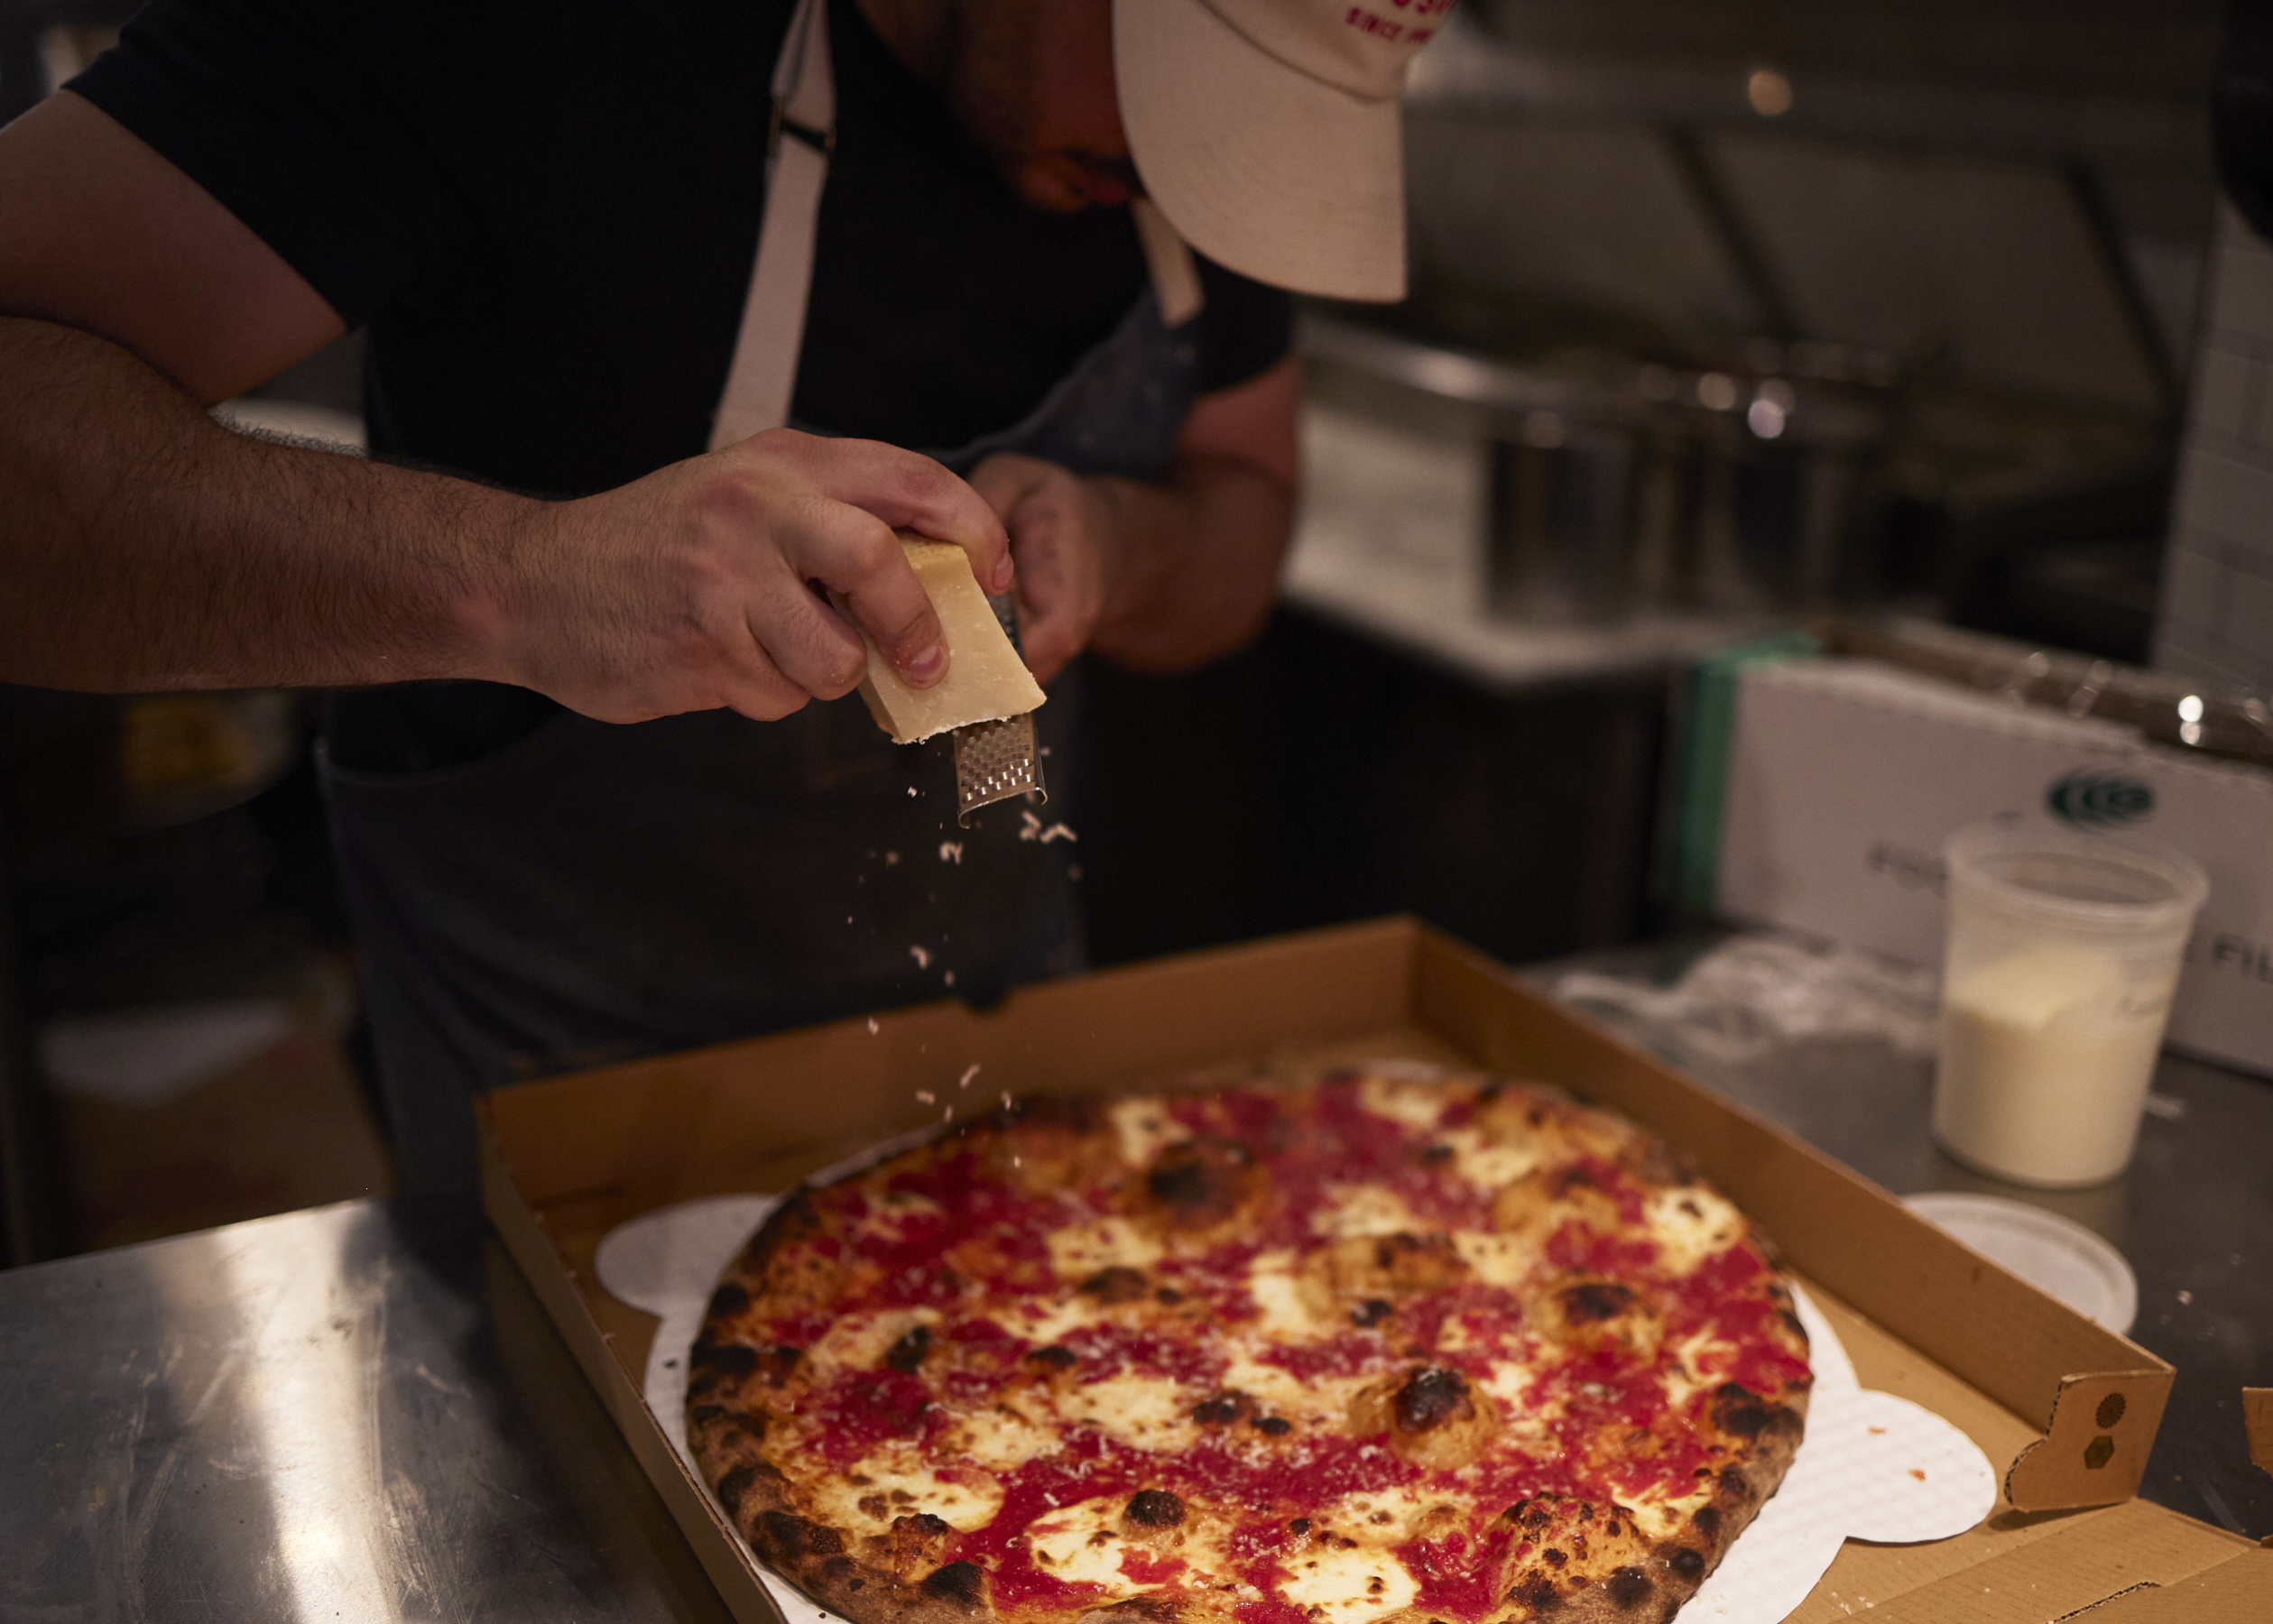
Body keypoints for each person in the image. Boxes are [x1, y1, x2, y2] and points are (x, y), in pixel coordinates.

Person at [0, 0, 1447, 1216]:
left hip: (999, 1052)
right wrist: (528, 581)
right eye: (1180, 105)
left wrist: (1132, 544)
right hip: (565, 1072)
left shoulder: (1188, 181)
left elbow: (1244, 513)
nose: (1183, 179)